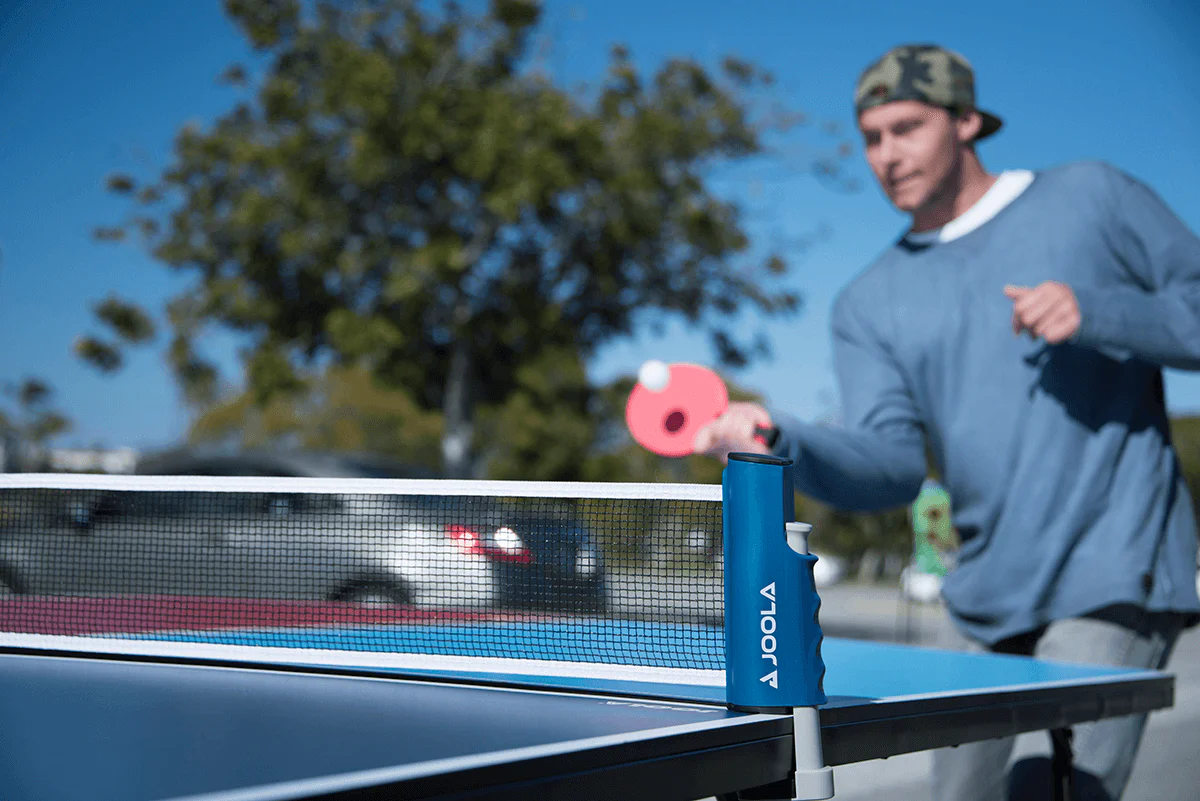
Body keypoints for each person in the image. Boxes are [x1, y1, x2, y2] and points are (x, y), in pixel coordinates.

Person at [693, 43, 1200, 801]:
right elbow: (892, 466)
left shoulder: (1093, 195)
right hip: (982, 591)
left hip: (1113, 569)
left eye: (907, 127)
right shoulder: (868, 301)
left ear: (966, 120)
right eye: (871, 137)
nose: (887, 155)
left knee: (1049, 791)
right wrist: (784, 438)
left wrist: (1099, 311)